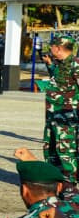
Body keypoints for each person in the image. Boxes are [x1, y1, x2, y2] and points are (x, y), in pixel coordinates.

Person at [41, 35, 79, 183]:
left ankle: (69, 185)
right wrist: (50, 65)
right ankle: (56, 181)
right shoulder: (60, 64)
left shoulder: (75, 65)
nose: (50, 49)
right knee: (51, 150)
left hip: (67, 120)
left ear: (58, 48)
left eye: (52, 46)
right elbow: (58, 81)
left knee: (66, 151)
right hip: (53, 117)